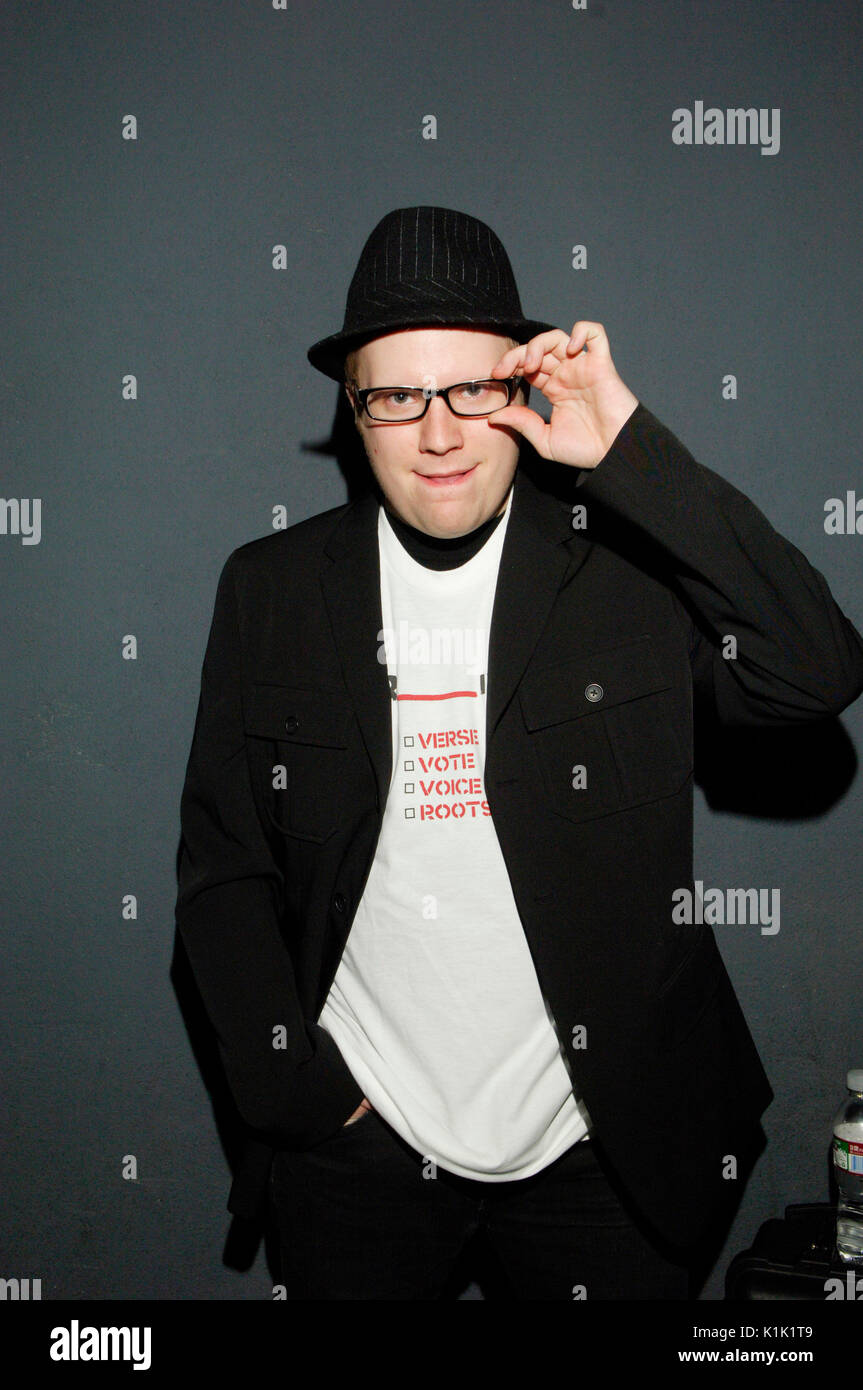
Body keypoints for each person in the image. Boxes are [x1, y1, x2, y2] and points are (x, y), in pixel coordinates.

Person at [175, 205, 863, 1300]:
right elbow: (223, 871)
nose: (437, 433)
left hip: (604, 1149)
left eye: (472, 389)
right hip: (360, 1153)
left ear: (521, 389)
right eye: (396, 395)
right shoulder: (270, 590)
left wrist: (632, 449)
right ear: (353, 411)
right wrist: (296, 1093)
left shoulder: (626, 568)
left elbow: (813, 669)